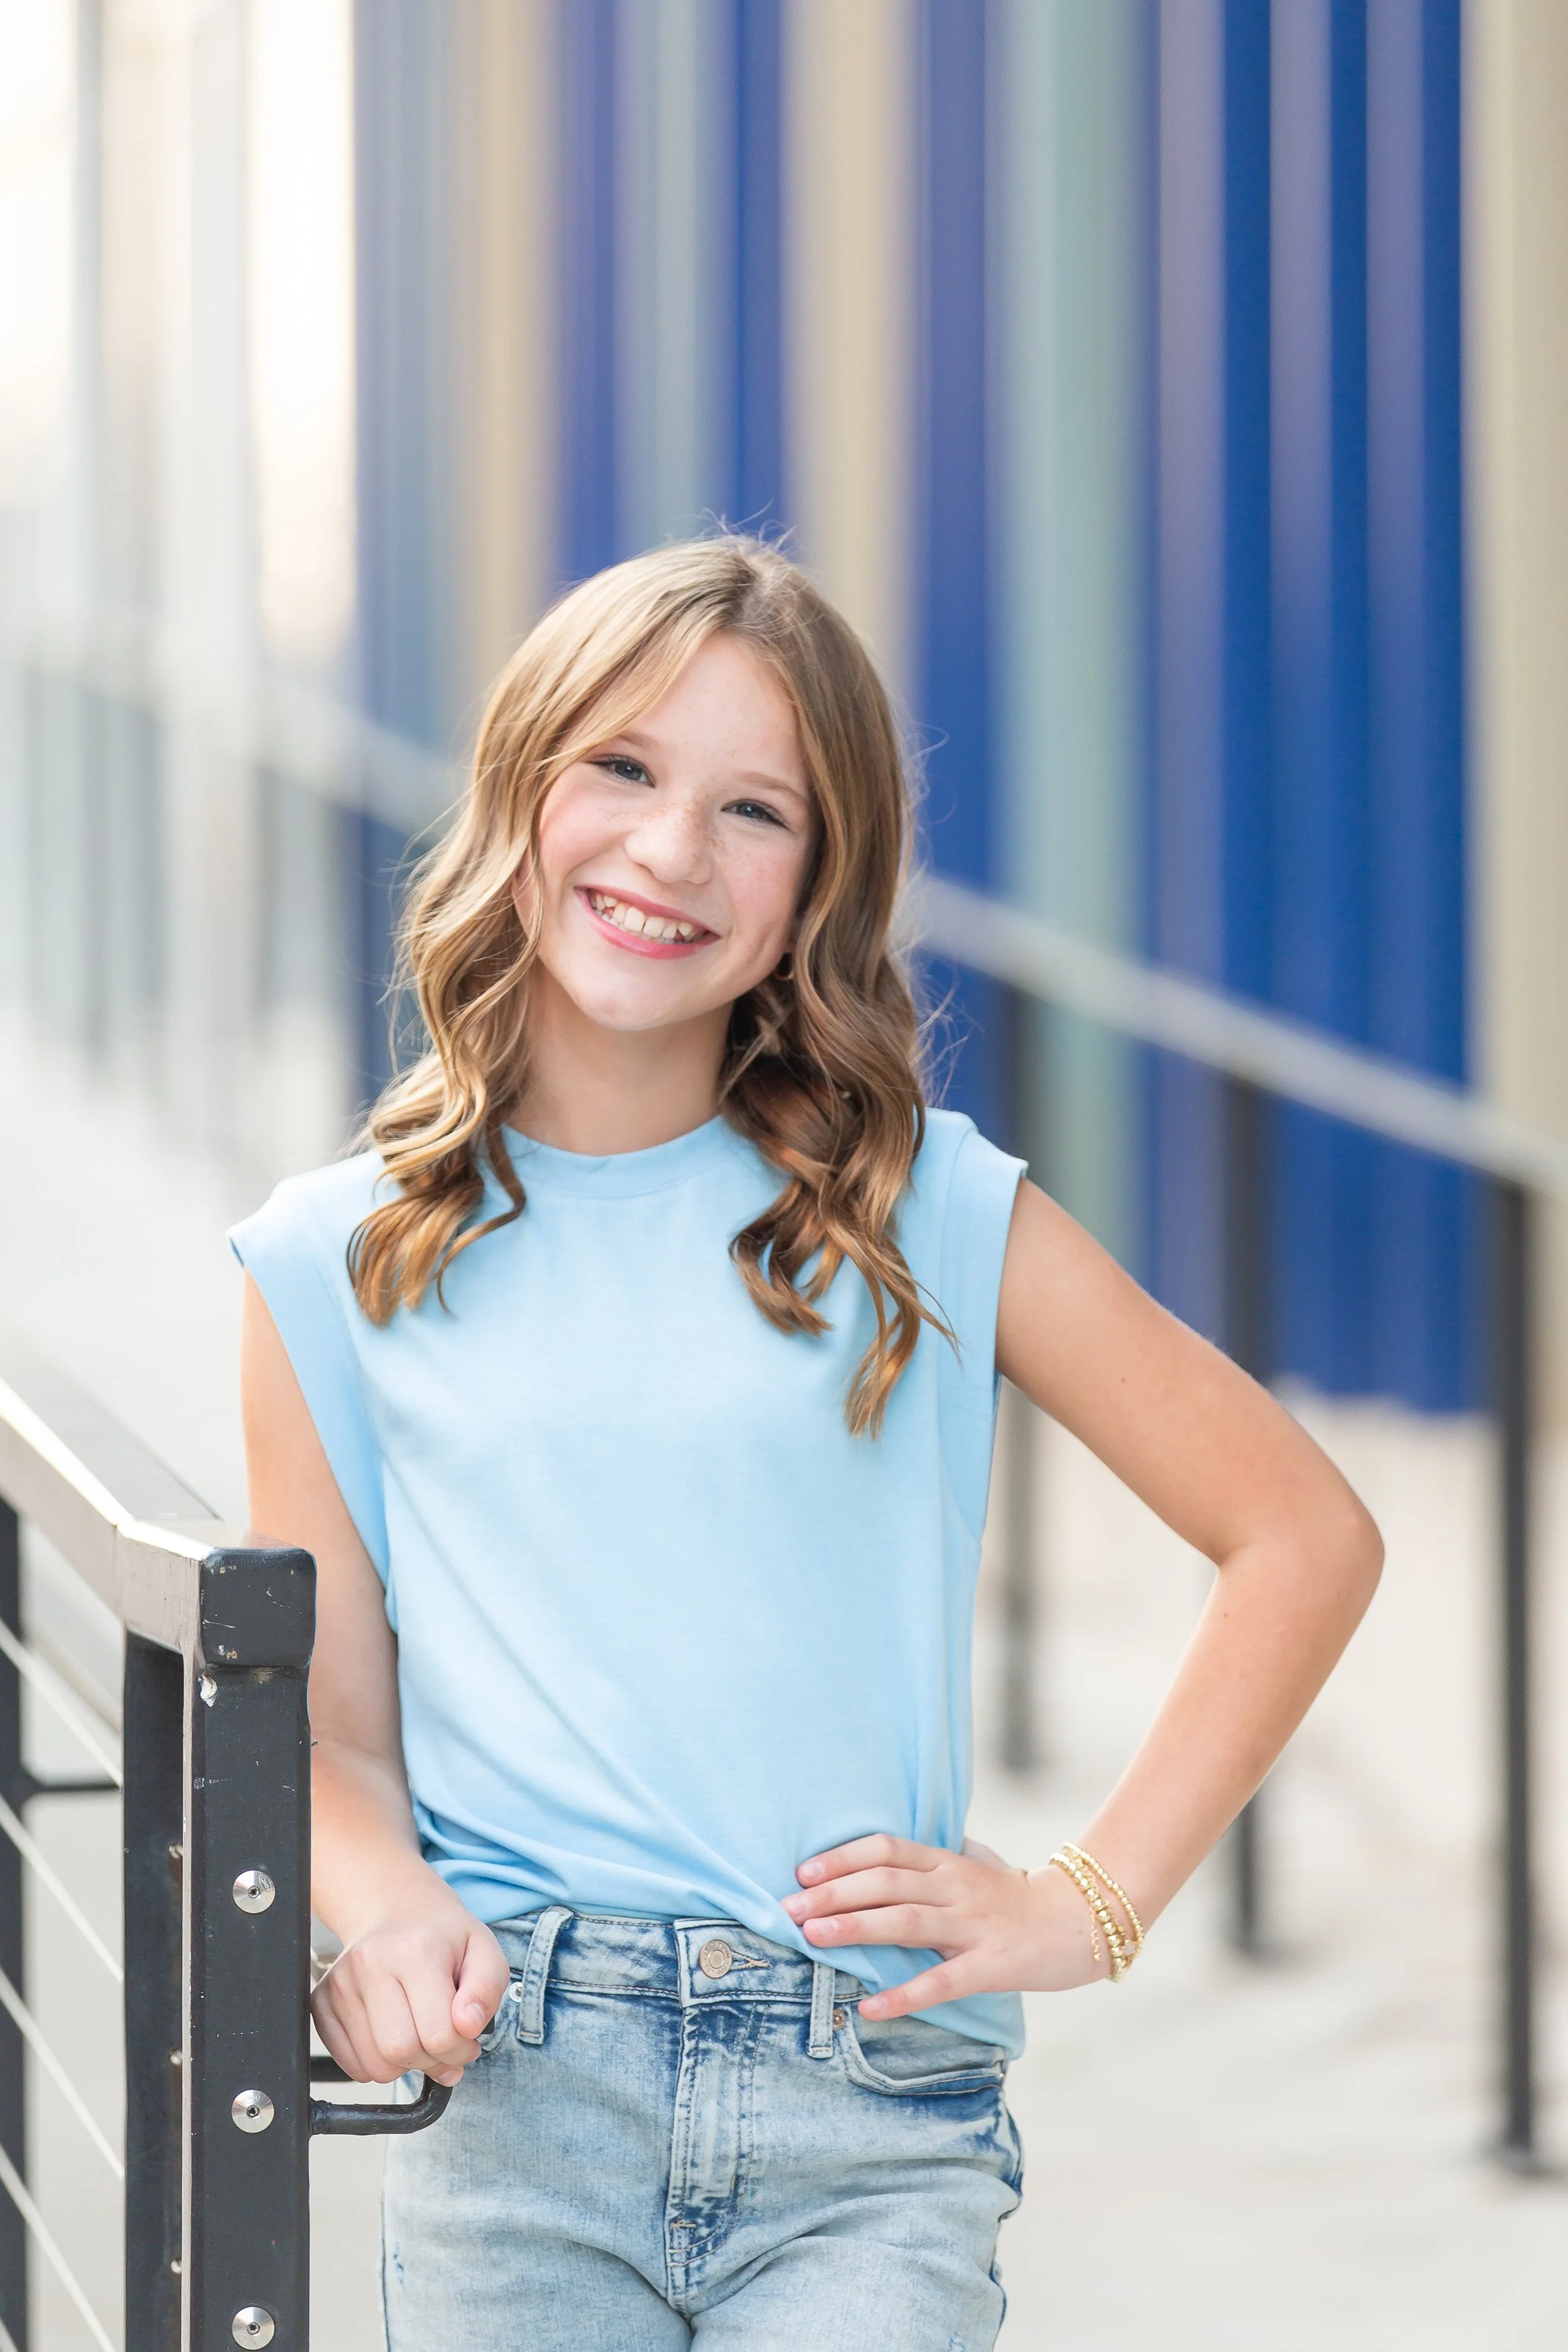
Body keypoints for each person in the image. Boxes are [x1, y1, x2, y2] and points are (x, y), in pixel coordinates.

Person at [233, 536, 1381, 2351]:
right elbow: (342, 1742)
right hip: (521, 2099)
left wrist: (1094, 1897)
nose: (670, 851)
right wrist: (377, 1915)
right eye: (621, 768)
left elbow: (1299, 1529)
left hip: (866, 2112)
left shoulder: (920, 1207)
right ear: (519, 784)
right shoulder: (335, 1256)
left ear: (813, 886)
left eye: (752, 809)